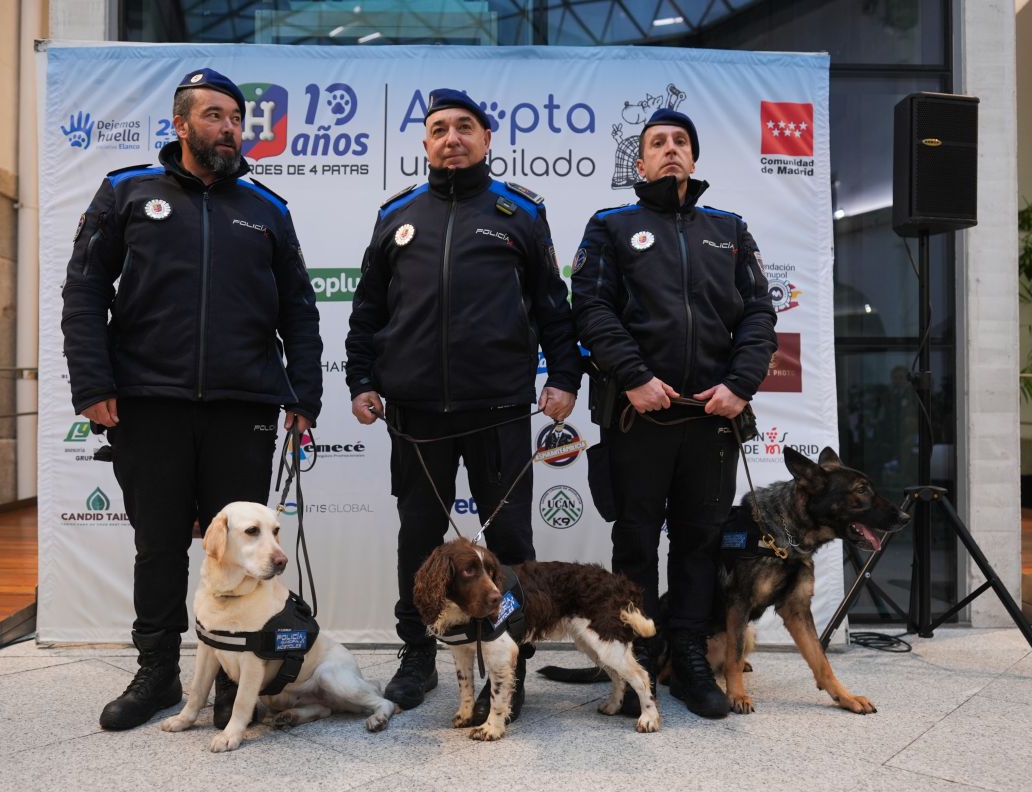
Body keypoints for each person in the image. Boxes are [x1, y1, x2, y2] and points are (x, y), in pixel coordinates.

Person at [61, 67, 322, 731]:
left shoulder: (267, 209)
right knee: (157, 545)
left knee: (243, 552)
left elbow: (299, 308)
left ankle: (237, 679)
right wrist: (92, 383)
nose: (229, 128)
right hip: (150, 402)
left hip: (243, 405)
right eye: (213, 116)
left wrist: (305, 394)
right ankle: (156, 672)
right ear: (180, 124)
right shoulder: (127, 191)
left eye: (235, 118)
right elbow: (84, 290)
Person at [346, 89, 582, 715]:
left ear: (486, 138)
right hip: (415, 412)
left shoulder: (520, 212)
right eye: (439, 129)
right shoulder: (396, 214)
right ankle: (418, 654)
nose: (451, 138)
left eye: (464, 127)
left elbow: (553, 308)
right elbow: (368, 310)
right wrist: (360, 380)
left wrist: (565, 377)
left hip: (499, 406)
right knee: (420, 539)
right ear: (425, 143)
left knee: (510, 541)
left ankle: (511, 662)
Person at [570, 108, 777, 719]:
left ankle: (687, 657)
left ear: (693, 157)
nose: (669, 149)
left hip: (712, 419)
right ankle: (636, 658)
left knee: (700, 543)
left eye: (680, 141)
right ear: (640, 162)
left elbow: (759, 315)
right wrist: (634, 376)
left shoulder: (729, 229)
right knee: (634, 541)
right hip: (639, 417)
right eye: (657, 142)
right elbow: (592, 309)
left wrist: (740, 385)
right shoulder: (611, 225)